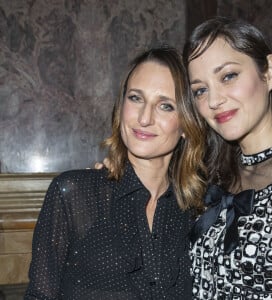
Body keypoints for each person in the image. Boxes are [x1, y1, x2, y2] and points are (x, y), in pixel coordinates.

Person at [24, 46, 207, 300]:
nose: (144, 118)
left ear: (187, 125)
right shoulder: (74, 194)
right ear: (121, 107)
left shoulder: (198, 211)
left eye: (165, 106)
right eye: (135, 98)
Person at [183, 16, 272, 299]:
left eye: (228, 76)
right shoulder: (208, 178)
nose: (213, 101)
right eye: (201, 90)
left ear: (269, 72)